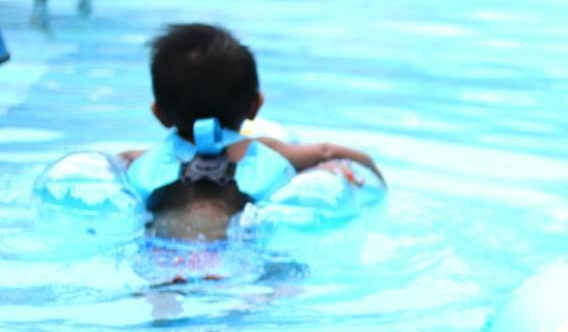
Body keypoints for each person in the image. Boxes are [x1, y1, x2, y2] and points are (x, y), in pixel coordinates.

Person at [119, 23, 383, 241]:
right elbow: (328, 151)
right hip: (242, 237)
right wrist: (373, 172)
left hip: (163, 241)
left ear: (159, 113)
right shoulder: (266, 151)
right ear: (255, 104)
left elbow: (124, 161)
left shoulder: (146, 161)